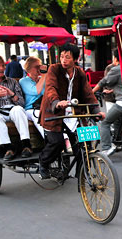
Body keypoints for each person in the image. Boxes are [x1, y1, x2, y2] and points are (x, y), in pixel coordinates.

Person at [38, 43, 104, 179]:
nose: (63, 60)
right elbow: (50, 88)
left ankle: (82, 172)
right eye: (61, 57)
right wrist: (57, 102)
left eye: (67, 57)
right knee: (57, 142)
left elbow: (88, 93)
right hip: (54, 112)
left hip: (73, 113)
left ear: (75, 59)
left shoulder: (79, 72)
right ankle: (43, 163)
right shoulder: (54, 69)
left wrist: (96, 110)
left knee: (84, 143)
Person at [0, 54, 32, 160]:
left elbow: (21, 103)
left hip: (12, 109)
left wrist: (12, 94)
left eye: (3, 65)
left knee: (18, 109)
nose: (2, 68)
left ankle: (26, 144)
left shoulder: (12, 82)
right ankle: (8, 147)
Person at [94, 50, 122, 156]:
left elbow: (103, 82)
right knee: (117, 120)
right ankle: (117, 142)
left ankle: (106, 147)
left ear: (115, 58)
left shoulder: (116, 69)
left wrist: (91, 93)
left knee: (105, 123)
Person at [19, 56, 46, 138]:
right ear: (29, 69)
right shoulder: (23, 81)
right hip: (31, 109)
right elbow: (36, 91)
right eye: (37, 67)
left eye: (40, 66)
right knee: (39, 115)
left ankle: (68, 141)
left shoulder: (43, 79)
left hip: (45, 106)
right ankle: (49, 139)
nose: (39, 68)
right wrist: (44, 75)